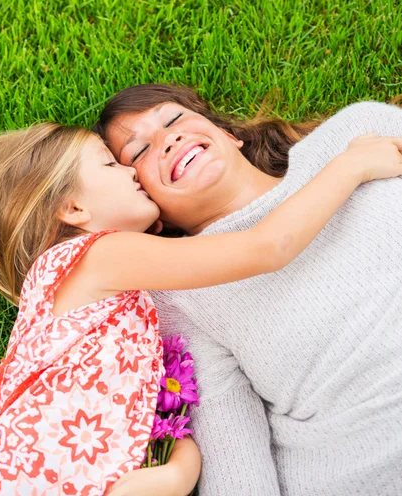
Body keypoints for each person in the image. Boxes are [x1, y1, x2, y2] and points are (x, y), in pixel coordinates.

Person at [0, 125, 395, 495]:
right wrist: (351, 166)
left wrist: (177, 472)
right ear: (74, 209)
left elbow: (161, 414)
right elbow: (267, 247)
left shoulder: (100, 301)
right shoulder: (99, 256)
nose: (130, 170)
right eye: (109, 165)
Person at [96, 84, 402, 496]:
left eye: (174, 119)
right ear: (148, 209)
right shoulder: (182, 294)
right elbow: (235, 461)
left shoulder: (358, 134)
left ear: (229, 134)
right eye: (139, 152)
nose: (169, 139)